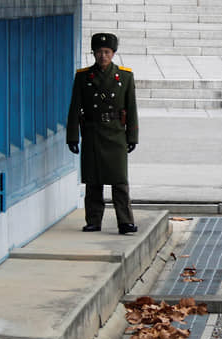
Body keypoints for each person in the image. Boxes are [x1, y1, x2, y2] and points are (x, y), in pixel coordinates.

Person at [67, 32, 139, 234]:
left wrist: (132, 137)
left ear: (113, 53)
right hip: (92, 133)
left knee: (120, 182)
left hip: (116, 134)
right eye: (99, 52)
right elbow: (74, 108)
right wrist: (72, 137)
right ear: (94, 53)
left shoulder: (124, 76)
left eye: (107, 52)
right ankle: (93, 220)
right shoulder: (83, 77)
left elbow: (131, 108)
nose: (103, 56)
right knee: (93, 181)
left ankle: (125, 222)